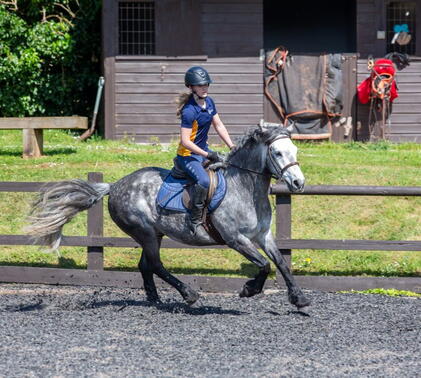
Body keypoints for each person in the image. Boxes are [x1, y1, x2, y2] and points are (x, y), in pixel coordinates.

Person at [175, 66, 235, 234]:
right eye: (200, 85)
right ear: (191, 87)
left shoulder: (209, 102)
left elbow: (219, 125)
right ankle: (194, 220)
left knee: (226, 169)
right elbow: (185, 141)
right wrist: (207, 154)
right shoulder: (189, 111)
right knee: (204, 181)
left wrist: (232, 146)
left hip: (203, 151)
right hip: (188, 156)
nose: (205, 88)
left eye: (206, 84)